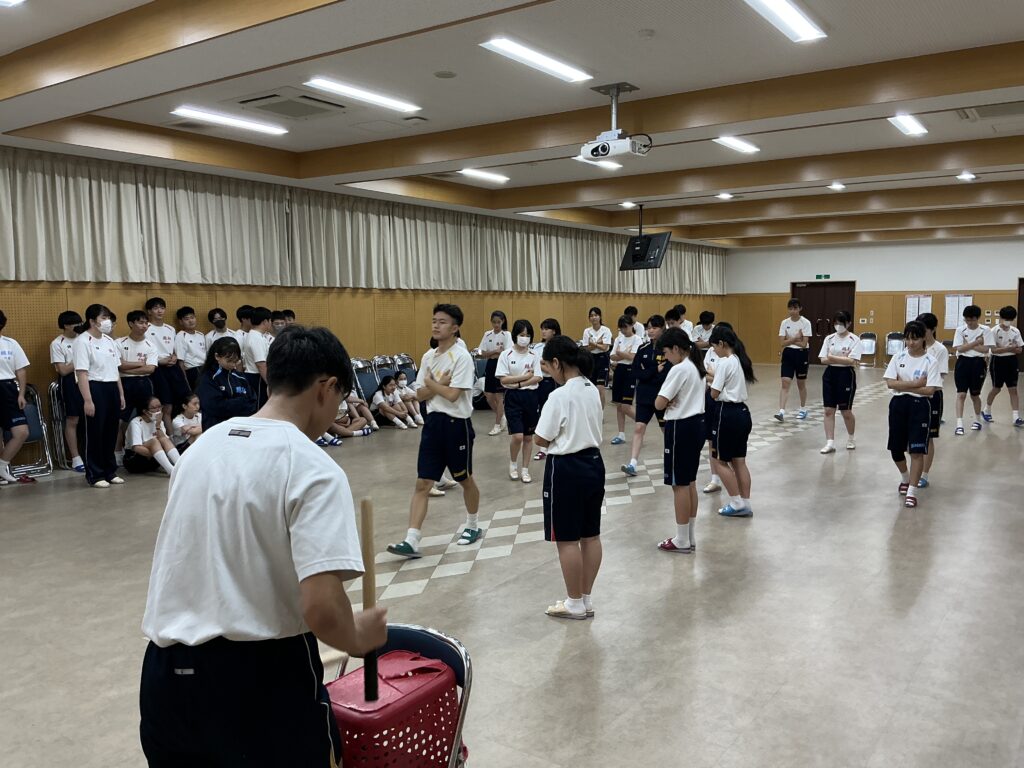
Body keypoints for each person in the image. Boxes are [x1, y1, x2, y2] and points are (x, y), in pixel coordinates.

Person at [140, 325, 387, 767]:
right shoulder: (313, 467)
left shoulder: (202, 447)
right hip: (260, 678)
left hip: (165, 676)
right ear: (326, 387)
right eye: (339, 398)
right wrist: (356, 636)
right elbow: (322, 608)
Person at [388, 304, 480, 558]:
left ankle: (473, 525)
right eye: (434, 321)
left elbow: (452, 395)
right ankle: (411, 539)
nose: (436, 325)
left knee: (464, 479)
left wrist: (431, 383)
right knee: (423, 483)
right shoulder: (428, 357)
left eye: (442, 322)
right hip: (433, 425)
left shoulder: (461, 357)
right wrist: (438, 383)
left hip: (457, 425)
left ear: (455, 327)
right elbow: (419, 394)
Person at [534, 335, 604, 620]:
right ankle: (585, 598)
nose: (548, 373)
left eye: (547, 367)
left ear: (557, 363)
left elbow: (540, 438)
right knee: (591, 535)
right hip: (594, 464)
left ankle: (574, 602)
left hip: (566, 468)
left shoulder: (559, 395)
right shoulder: (592, 389)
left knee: (566, 539)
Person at [654, 327, 706, 553]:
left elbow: (659, 403)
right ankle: (689, 536)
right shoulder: (695, 366)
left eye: (666, 352)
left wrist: (667, 400)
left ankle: (681, 539)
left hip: (680, 427)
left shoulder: (679, 369)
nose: (665, 357)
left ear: (676, 348)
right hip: (696, 424)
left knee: (679, 484)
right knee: (690, 481)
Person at [884, 321, 943, 508]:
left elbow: (930, 390)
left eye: (915, 339)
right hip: (898, 405)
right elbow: (890, 383)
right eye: (907, 339)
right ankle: (905, 477)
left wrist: (903, 385)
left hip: (920, 407)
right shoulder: (898, 357)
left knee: (917, 450)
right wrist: (917, 384)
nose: (910, 343)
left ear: (923, 338)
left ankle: (912, 491)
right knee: (896, 449)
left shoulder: (931, 361)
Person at [73, 304, 126, 488]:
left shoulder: (110, 341)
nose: (107, 321)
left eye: (108, 318)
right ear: (92, 321)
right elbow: (81, 373)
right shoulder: (82, 341)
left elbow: (116, 370)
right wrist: (88, 400)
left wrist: (120, 394)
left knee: (111, 431)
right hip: (94, 388)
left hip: (111, 387)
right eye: (103, 318)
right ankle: (95, 474)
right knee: (95, 432)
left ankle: (109, 471)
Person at [709, 326, 757, 518]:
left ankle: (736, 503)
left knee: (718, 461)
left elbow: (714, 393)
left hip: (726, 414)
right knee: (739, 461)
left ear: (722, 344)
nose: (714, 351)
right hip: (742, 413)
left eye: (714, 347)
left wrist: (709, 382)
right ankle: (745, 503)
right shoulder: (739, 359)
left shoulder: (724, 363)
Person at [622, 314, 670, 477]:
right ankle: (632, 464)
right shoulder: (643, 349)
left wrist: (647, 373)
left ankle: (671, 458)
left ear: (662, 329)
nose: (650, 331)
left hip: (662, 396)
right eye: (648, 328)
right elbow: (636, 372)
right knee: (639, 427)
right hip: (644, 396)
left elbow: (667, 374)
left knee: (666, 430)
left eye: (654, 328)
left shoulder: (668, 350)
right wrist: (654, 370)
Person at [497, 319, 542, 484]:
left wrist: (519, 383)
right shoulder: (506, 354)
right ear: (515, 335)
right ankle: (513, 463)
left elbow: (537, 377)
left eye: (528, 335)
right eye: (522, 335)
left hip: (531, 396)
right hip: (512, 398)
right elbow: (503, 379)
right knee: (517, 436)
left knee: (528, 437)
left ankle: (525, 469)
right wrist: (524, 377)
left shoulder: (534, 355)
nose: (525, 338)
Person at [116, 310, 158, 463]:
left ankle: (148, 449)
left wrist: (127, 367)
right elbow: (118, 365)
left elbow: (150, 368)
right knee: (120, 420)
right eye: (140, 322)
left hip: (144, 383)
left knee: (148, 416)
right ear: (131, 323)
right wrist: (140, 363)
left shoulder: (150, 345)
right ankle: (118, 451)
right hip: (124, 384)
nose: (144, 326)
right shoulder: (119, 343)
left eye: (146, 323)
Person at [818, 310, 862, 453]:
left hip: (846, 375)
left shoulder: (854, 339)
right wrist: (840, 359)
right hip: (830, 374)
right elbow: (823, 359)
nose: (838, 326)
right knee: (828, 410)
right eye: (836, 323)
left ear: (848, 323)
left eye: (841, 323)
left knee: (846, 411)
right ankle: (830, 442)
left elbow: (852, 361)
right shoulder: (829, 338)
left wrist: (833, 358)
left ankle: (851, 438)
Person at [146, 298, 190, 434]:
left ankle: (185, 434)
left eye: (162, 308)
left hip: (173, 368)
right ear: (149, 311)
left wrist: (175, 356)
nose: (159, 311)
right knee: (167, 406)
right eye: (155, 308)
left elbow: (175, 349)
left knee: (185, 401)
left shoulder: (170, 329)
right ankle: (170, 437)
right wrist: (159, 361)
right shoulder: (146, 328)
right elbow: (144, 351)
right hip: (157, 369)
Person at [195, 337, 256, 432]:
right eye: (229, 361)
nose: (233, 365)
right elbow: (214, 407)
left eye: (236, 361)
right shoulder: (208, 378)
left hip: (240, 428)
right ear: (217, 356)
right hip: (216, 430)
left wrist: (231, 403)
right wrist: (241, 401)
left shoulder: (240, 377)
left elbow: (252, 403)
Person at [916, 312, 948, 488]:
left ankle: (924, 474)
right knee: (913, 435)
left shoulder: (939, 349)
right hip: (913, 395)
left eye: (925, 329)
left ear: (933, 329)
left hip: (932, 396)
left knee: (928, 437)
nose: (921, 332)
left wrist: (916, 384)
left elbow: (938, 378)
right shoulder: (913, 346)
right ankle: (914, 471)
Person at [0, 310, 32, 485]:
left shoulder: (10, 343)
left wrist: (21, 394)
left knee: (21, 431)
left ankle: (1, 466)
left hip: (8, 389)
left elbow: (21, 370)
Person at [50, 310, 85, 473]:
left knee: (90, 418)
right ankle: (76, 458)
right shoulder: (58, 343)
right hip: (70, 382)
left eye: (79, 323)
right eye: (74, 323)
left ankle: (90, 453)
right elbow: (63, 370)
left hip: (88, 379)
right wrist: (78, 357)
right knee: (73, 419)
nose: (78, 326)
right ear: (65, 325)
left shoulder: (84, 338)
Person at [700, 321, 733, 494]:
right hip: (710, 397)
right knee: (711, 440)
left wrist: (714, 375)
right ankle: (715, 479)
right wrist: (716, 376)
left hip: (726, 401)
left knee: (727, 439)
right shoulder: (711, 351)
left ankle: (731, 476)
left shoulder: (733, 357)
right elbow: (704, 372)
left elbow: (727, 380)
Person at [952, 304, 992, 435]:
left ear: (977, 318)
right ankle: (959, 424)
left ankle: (977, 420)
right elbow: (959, 348)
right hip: (963, 362)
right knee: (961, 394)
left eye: (972, 320)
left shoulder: (985, 330)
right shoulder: (960, 330)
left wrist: (967, 344)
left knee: (975, 395)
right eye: (967, 320)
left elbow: (985, 349)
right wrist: (976, 342)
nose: (969, 322)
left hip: (978, 363)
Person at [981, 306, 1023, 427]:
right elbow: (994, 350)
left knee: (1013, 389)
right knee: (997, 388)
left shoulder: (1015, 331)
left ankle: (1016, 417)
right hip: (998, 361)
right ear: (1001, 318)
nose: (1007, 321)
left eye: (1010, 319)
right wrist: (1009, 348)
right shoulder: (994, 331)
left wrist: (1010, 348)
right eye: (1005, 319)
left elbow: (1019, 349)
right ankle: (986, 410)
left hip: (1012, 361)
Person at [776, 298, 812, 422]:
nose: (793, 311)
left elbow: (804, 344)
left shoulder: (805, 323)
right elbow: (782, 343)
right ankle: (781, 411)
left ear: (800, 309)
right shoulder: (784, 322)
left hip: (802, 354)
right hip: (788, 354)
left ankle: (803, 409)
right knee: (785, 382)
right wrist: (796, 338)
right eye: (790, 309)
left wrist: (789, 340)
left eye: (795, 308)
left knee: (801, 383)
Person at [125, 396, 180, 476]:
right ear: (145, 411)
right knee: (154, 441)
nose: (158, 410)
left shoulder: (159, 421)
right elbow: (136, 448)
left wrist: (157, 425)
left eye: (160, 407)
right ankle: (171, 471)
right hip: (135, 460)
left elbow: (165, 441)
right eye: (154, 408)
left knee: (163, 439)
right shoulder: (136, 422)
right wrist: (155, 453)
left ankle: (180, 466)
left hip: (154, 461)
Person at [532, 318, 562, 461]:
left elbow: (553, 370)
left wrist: (541, 364)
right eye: (542, 329)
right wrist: (542, 364)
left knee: (551, 412)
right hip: (537, 382)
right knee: (539, 413)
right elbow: (533, 364)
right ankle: (543, 447)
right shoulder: (538, 347)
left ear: (554, 331)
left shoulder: (558, 347)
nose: (543, 331)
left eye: (547, 329)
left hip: (552, 382)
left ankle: (551, 445)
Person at [609, 315, 642, 446]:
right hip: (619, 371)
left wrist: (620, 353)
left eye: (625, 327)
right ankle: (621, 434)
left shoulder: (637, 339)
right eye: (621, 328)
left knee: (626, 406)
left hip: (630, 371)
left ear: (631, 326)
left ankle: (641, 422)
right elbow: (612, 356)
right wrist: (623, 354)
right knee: (619, 405)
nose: (623, 330)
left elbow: (633, 357)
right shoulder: (619, 339)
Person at [478, 310, 512, 436]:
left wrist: (494, 353)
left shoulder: (506, 334)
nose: (496, 325)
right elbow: (481, 353)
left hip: (501, 365)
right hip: (490, 364)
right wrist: (494, 352)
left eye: (499, 322)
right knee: (488, 395)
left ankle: (497, 425)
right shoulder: (487, 334)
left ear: (503, 322)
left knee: (499, 396)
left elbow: (507, 352)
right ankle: (502, 417)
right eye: (494, 322)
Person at [242, 307, 273, 408]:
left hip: (257, 376)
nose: (271, 323)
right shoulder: (256, 338)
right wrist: (269, 383)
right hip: (257, 377)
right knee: (260, 406)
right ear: (265, 321)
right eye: (270, 321)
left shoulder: (256, 335)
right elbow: (260, 364)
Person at [582, 307, 612, 407]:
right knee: (590, 387)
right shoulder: (587, 331)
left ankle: (601, 412)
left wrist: (593, 344)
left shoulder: (606, 330)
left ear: (600, 317)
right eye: (591, 316)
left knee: (600, 388)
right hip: (591, 359)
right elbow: (586, 348)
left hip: (603, 359)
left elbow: (605, 347)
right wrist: (599, 342)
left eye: (596, 315)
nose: (594, 317)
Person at [174, 306, 208, 391]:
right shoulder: (180, 336)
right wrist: (185, 382)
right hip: (193, 371)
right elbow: (180, 362)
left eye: (192, 317)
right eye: (186, 319)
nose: (191, 321)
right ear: (181, 322)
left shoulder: (200, 334)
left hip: (205, 368)